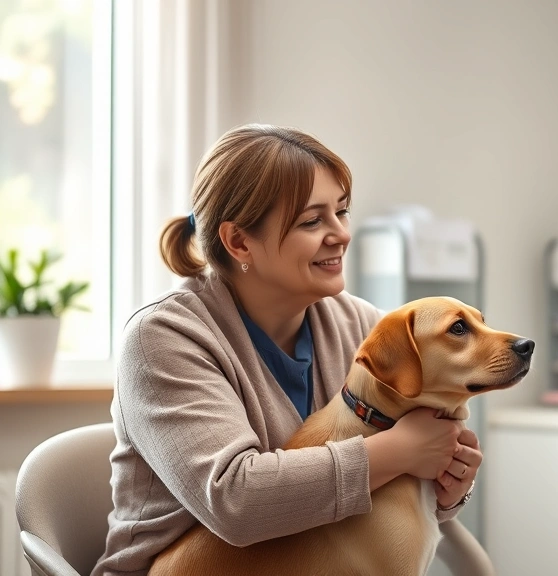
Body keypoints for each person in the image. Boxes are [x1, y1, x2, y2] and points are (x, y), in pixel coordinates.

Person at [92, 124, 480, 576]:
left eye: (342, 211)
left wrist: (445, 485)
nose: (340, 234)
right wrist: (400, 453)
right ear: (239, 241)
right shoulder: (161, 340)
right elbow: (236, 502)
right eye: (312, 221)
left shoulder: (361, 327)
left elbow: (382, 495)